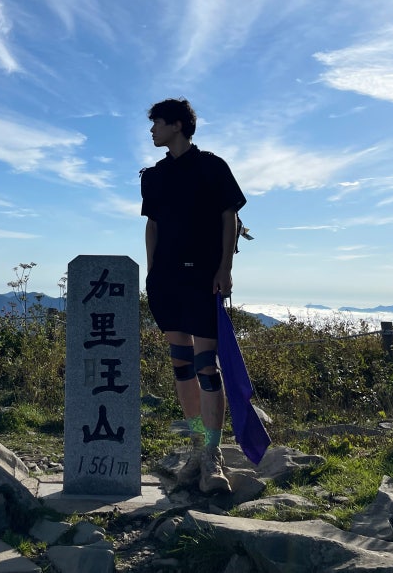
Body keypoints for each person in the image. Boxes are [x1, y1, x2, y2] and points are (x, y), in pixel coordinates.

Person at [140, 97, 246, 494]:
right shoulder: (153, 176)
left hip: (203, 277)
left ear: (178, 126)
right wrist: (151, 272)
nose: (153, 130)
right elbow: (152, 226)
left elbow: (228, 217)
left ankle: (213, 455)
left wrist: (225, 268)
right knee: (181, 365)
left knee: (206, 366)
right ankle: (198, 447)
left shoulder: (212, 167)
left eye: (158, 124)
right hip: (165, 281)